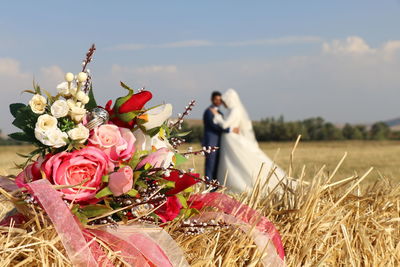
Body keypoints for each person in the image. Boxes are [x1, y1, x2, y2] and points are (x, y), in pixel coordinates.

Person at [210, 89, 292, 193]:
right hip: (228, 140)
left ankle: (237, 185)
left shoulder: (235, 110)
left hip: (232, 140)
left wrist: (216, 116)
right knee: (231, 162)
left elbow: (225, 124)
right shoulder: (231, 110)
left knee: (236, 161)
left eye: (225, 101)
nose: (223, 103)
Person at [202, 91, 239, 182]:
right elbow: (214, 126)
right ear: (212, 100)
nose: (218, 102)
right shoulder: (208, 112)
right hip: (211, 142)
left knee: (217, 166)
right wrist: (230, 130)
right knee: (210, 166)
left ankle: (214, 186)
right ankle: (209, 186)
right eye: (216, 100)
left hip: (220, 143)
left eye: (220, 100)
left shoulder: (220, 112)